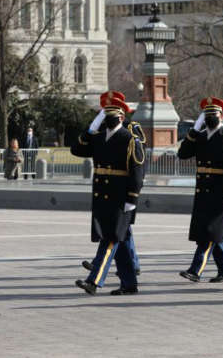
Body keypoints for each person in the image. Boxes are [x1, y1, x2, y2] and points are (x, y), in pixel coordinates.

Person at [71, 95, 144, 296]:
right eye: (106, 115)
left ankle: (94, 281)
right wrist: (91, 128)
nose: (109, 118)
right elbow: (76, 149)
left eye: (113, 115)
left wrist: (132, 199)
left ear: (121, 117)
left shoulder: (130, 140)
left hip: (120, 197)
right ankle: (129, 284)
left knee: (110, 239)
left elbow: (137, 173)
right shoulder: (99, 137)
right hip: (102, 196)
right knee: (120, 241)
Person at [177, 97, 223, 283]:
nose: (210, 117)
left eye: (213, 114)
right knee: (215, 234)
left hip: (220, 190)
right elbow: (183, 154)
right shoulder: (201, 136)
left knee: (210, 232)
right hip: (203, 191)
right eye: (207, 114)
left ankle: (195, 270)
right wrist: (194, 130)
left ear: (222, 115)